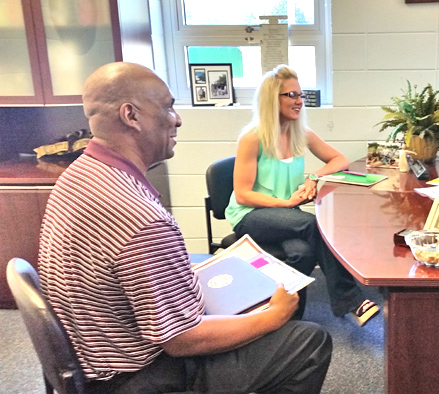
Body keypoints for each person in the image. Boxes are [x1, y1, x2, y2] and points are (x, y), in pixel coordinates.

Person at [38, 62, 332, 394]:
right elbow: (181, 340)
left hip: (95, 352)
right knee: (309, 340)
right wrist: (273, 317)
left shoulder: (78, 175)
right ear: (130, 116)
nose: (177, 118)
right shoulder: (141, 217)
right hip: (137, 376)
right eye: (167, 107)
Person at [225, 65, 379, 326]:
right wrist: (285, 203)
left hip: (285, 215)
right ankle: (350, 299)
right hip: (251, 215)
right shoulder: (253, 137)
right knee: (311, 224)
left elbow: (339, 159)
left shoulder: (300, 132)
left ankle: (290, 322)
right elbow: (242, 195)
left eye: (300, 95)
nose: (299, 102)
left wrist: (313, 177)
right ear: (272, 99)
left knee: (302, 252)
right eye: (291, 95)